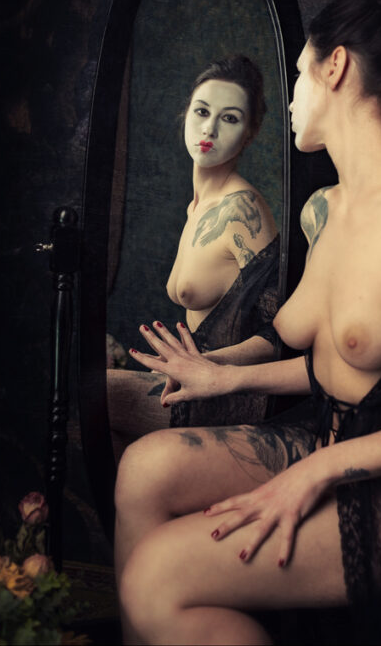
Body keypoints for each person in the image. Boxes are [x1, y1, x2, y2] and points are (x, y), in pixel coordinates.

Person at [115, 0, 381, 645]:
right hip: (322, 438)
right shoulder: (326, 208)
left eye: (299, 74)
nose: (291, 99)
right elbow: (334, 362)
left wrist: (318, 469)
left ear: (335, 66)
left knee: (156, 576)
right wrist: (222, 376)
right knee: (142, 469)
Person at [107, 56, 281, 460]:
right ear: (185, 114)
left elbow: (281, 333)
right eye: (202, 111)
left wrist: (203, 364)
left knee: (86, 395)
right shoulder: (197, 207)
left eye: (230, 118)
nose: (209, 129)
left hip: (230, 395)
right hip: (195, 382)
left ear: (251, 133)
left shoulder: (241, 211)